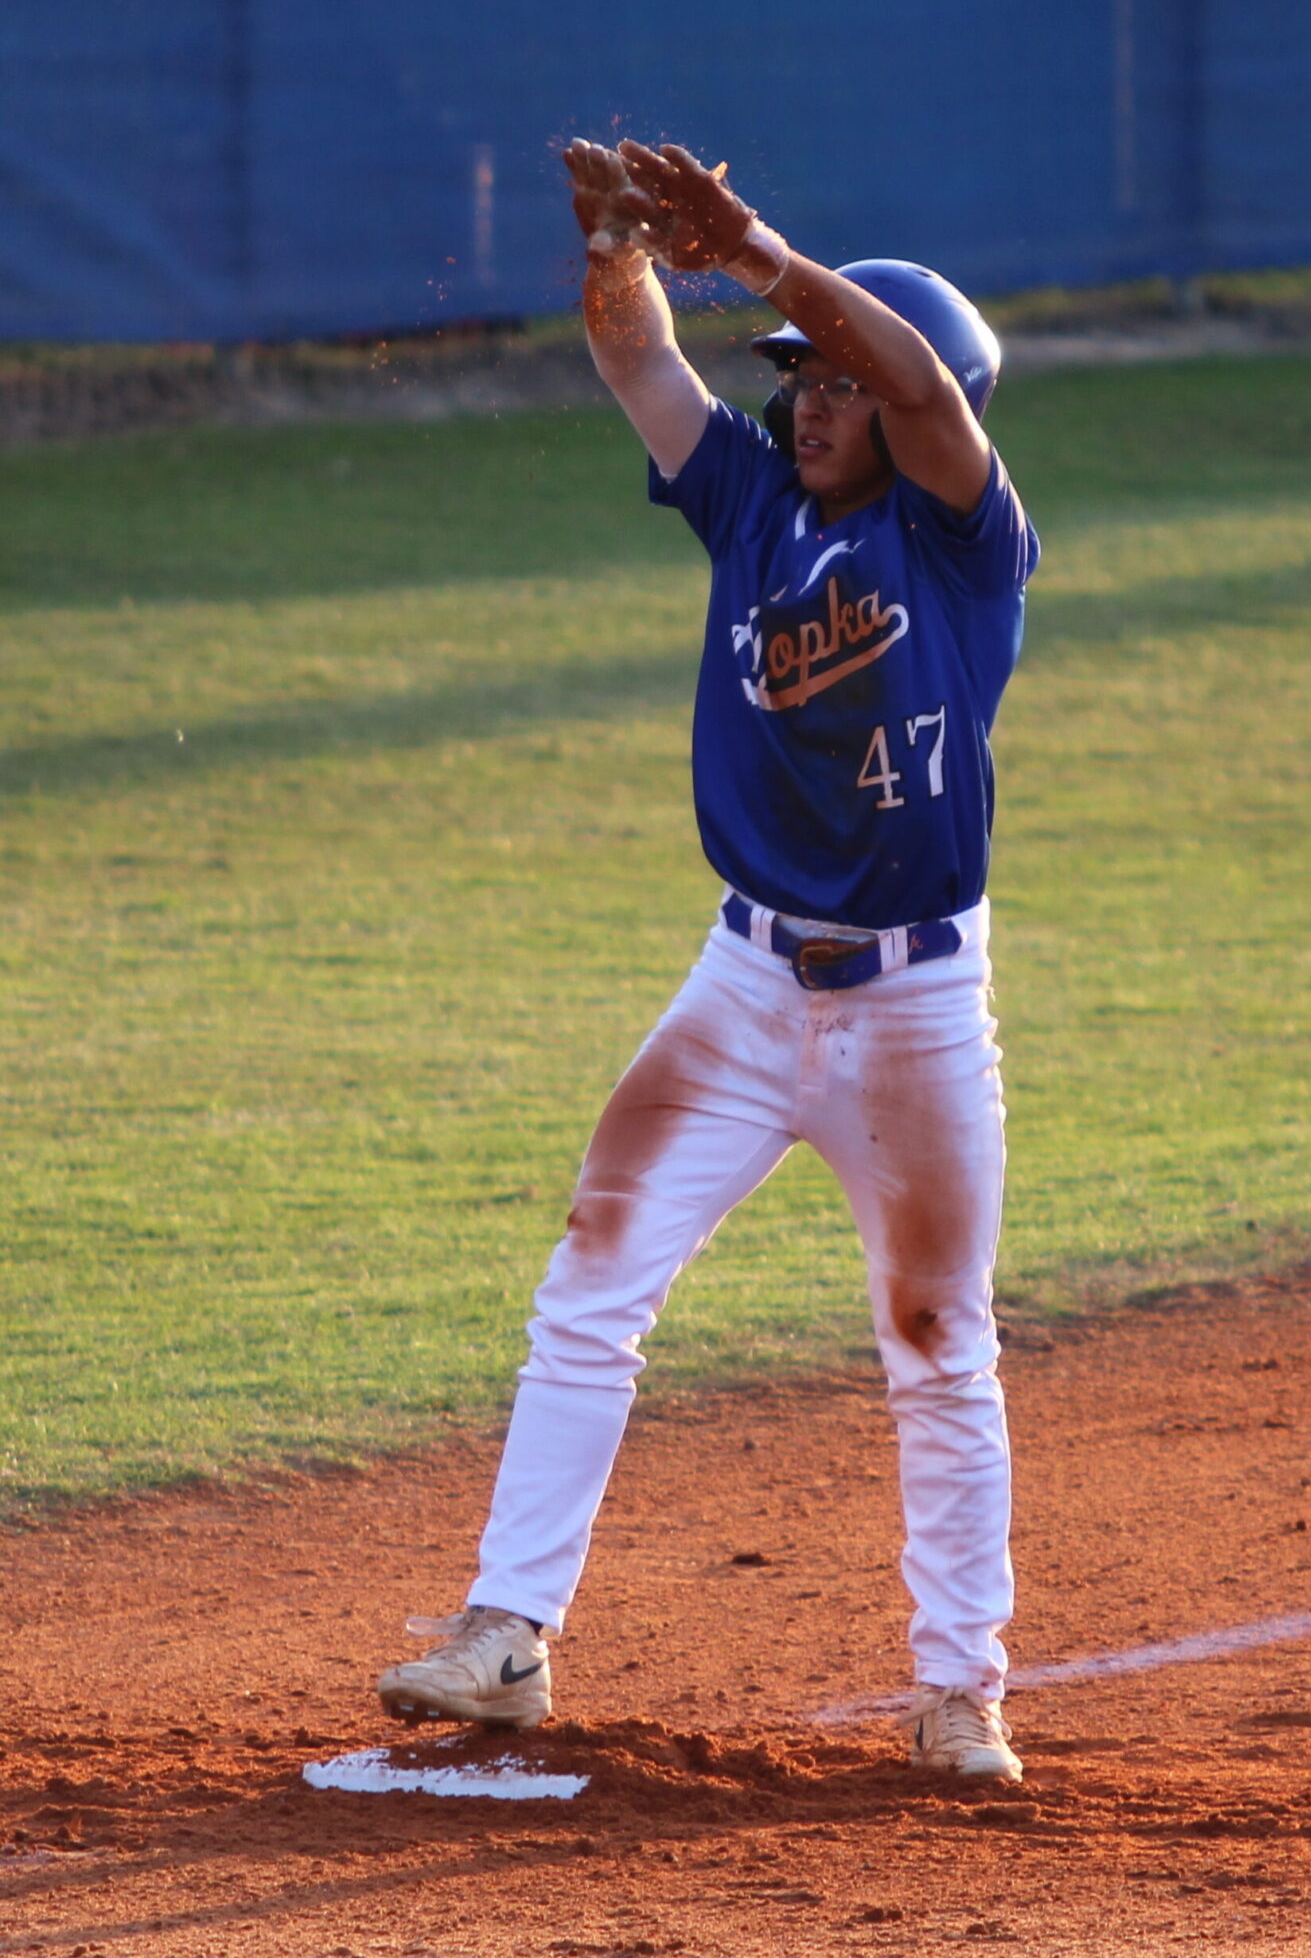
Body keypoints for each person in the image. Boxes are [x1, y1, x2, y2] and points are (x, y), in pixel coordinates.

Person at [377, 138, 1040, 1780]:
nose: (803, 402)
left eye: (832, 382)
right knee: (593, 1284)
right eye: (792, 382)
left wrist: (757, 250)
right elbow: (635, 353)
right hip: (743, 988)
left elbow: (921, 395)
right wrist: (619, 253)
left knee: (940, 1346)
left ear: (908, 397)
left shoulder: (964, 535)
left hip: (914, 1008)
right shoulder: (749, 500)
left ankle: (961, 1687)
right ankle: (505, 1633)